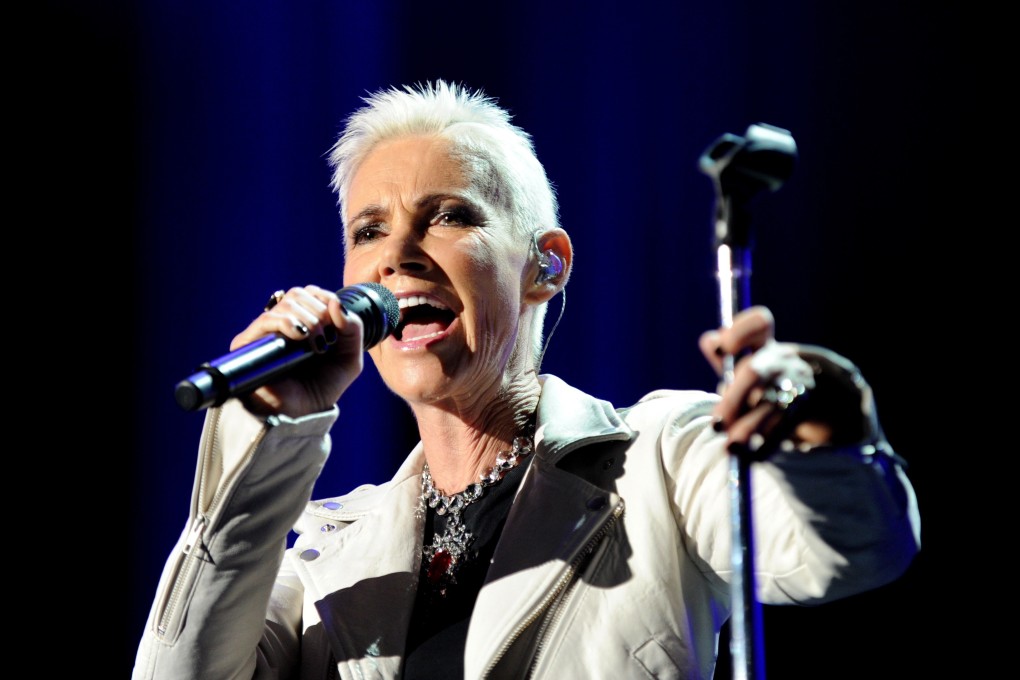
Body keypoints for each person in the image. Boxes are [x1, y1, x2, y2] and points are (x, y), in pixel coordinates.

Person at [131, 79, 920, 680]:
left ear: (546, 264)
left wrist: (818, 412)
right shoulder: (325, 556)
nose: (397, 253)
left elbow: (848, 551)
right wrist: (264, 437)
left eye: (449, 216)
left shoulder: (662, 458)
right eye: (369, 230)